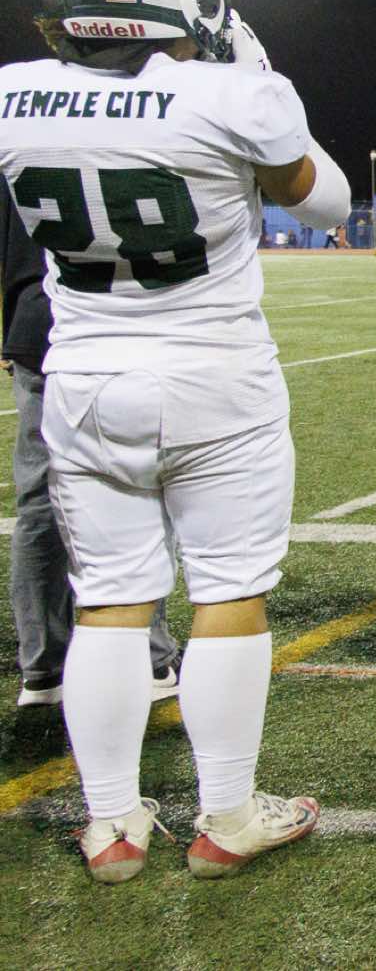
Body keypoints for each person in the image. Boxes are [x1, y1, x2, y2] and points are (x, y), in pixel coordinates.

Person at [0, 0, 353, 881]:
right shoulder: (234, 95)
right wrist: (246, 66)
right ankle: (227, 815)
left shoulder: (13, 95)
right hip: (214, 379)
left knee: (110, 602)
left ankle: (111, 826)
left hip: (82, 379)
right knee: (229, 593)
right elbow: (325, 200)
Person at [5, 176, 180, 709]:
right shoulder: (111, 137)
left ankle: (43, 669)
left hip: (36, 326)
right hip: (108, 323)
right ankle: (149, 657)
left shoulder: (18, 139)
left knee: (40, 500)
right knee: (135, 487)